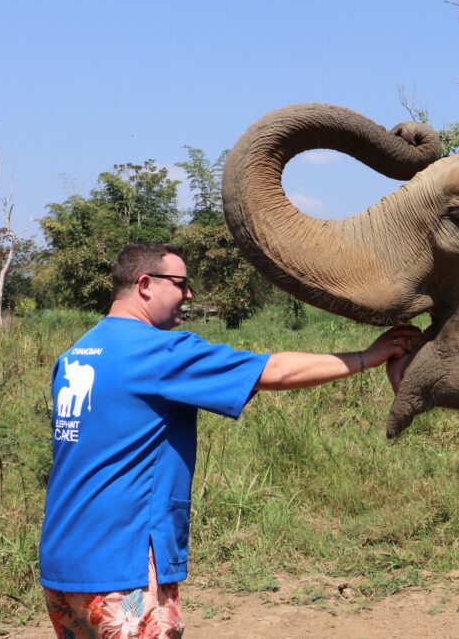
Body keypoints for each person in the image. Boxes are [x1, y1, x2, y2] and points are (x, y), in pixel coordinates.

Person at [39, 242, 419, 638]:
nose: (188, 295)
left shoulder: (75, 354)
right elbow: (275, 372)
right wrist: (366, 357)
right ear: (146, 284)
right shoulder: (158, 351)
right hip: (122, 564)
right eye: (181, 283)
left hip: (63, 564)